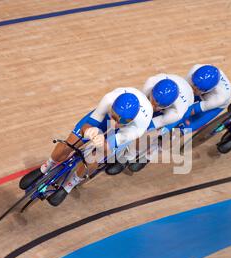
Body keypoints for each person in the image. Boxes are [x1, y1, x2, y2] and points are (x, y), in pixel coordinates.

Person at [19, 87, 153, 206]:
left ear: (131, 120)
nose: (114, 123)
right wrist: (89, 131)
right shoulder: (108, 100)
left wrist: (102, 144)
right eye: (114, 117)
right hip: (105, 116)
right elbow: (87, 125)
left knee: (95, 157)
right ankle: (46, 166)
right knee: (71, 142)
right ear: (112, 107)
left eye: (120, 121)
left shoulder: (138, 126)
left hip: (124, 131)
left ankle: (69, 185)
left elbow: (108, 147)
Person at [106, 73, 194, 174]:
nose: (152, 106)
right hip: (172, 84)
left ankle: (146, 156)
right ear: (152, 91)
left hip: (184, 107)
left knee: (159, 135)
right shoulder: (150, 83)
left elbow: (148, 127)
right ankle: (126, 154)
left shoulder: (177, 113)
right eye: (152, 100)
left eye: (157, 106)